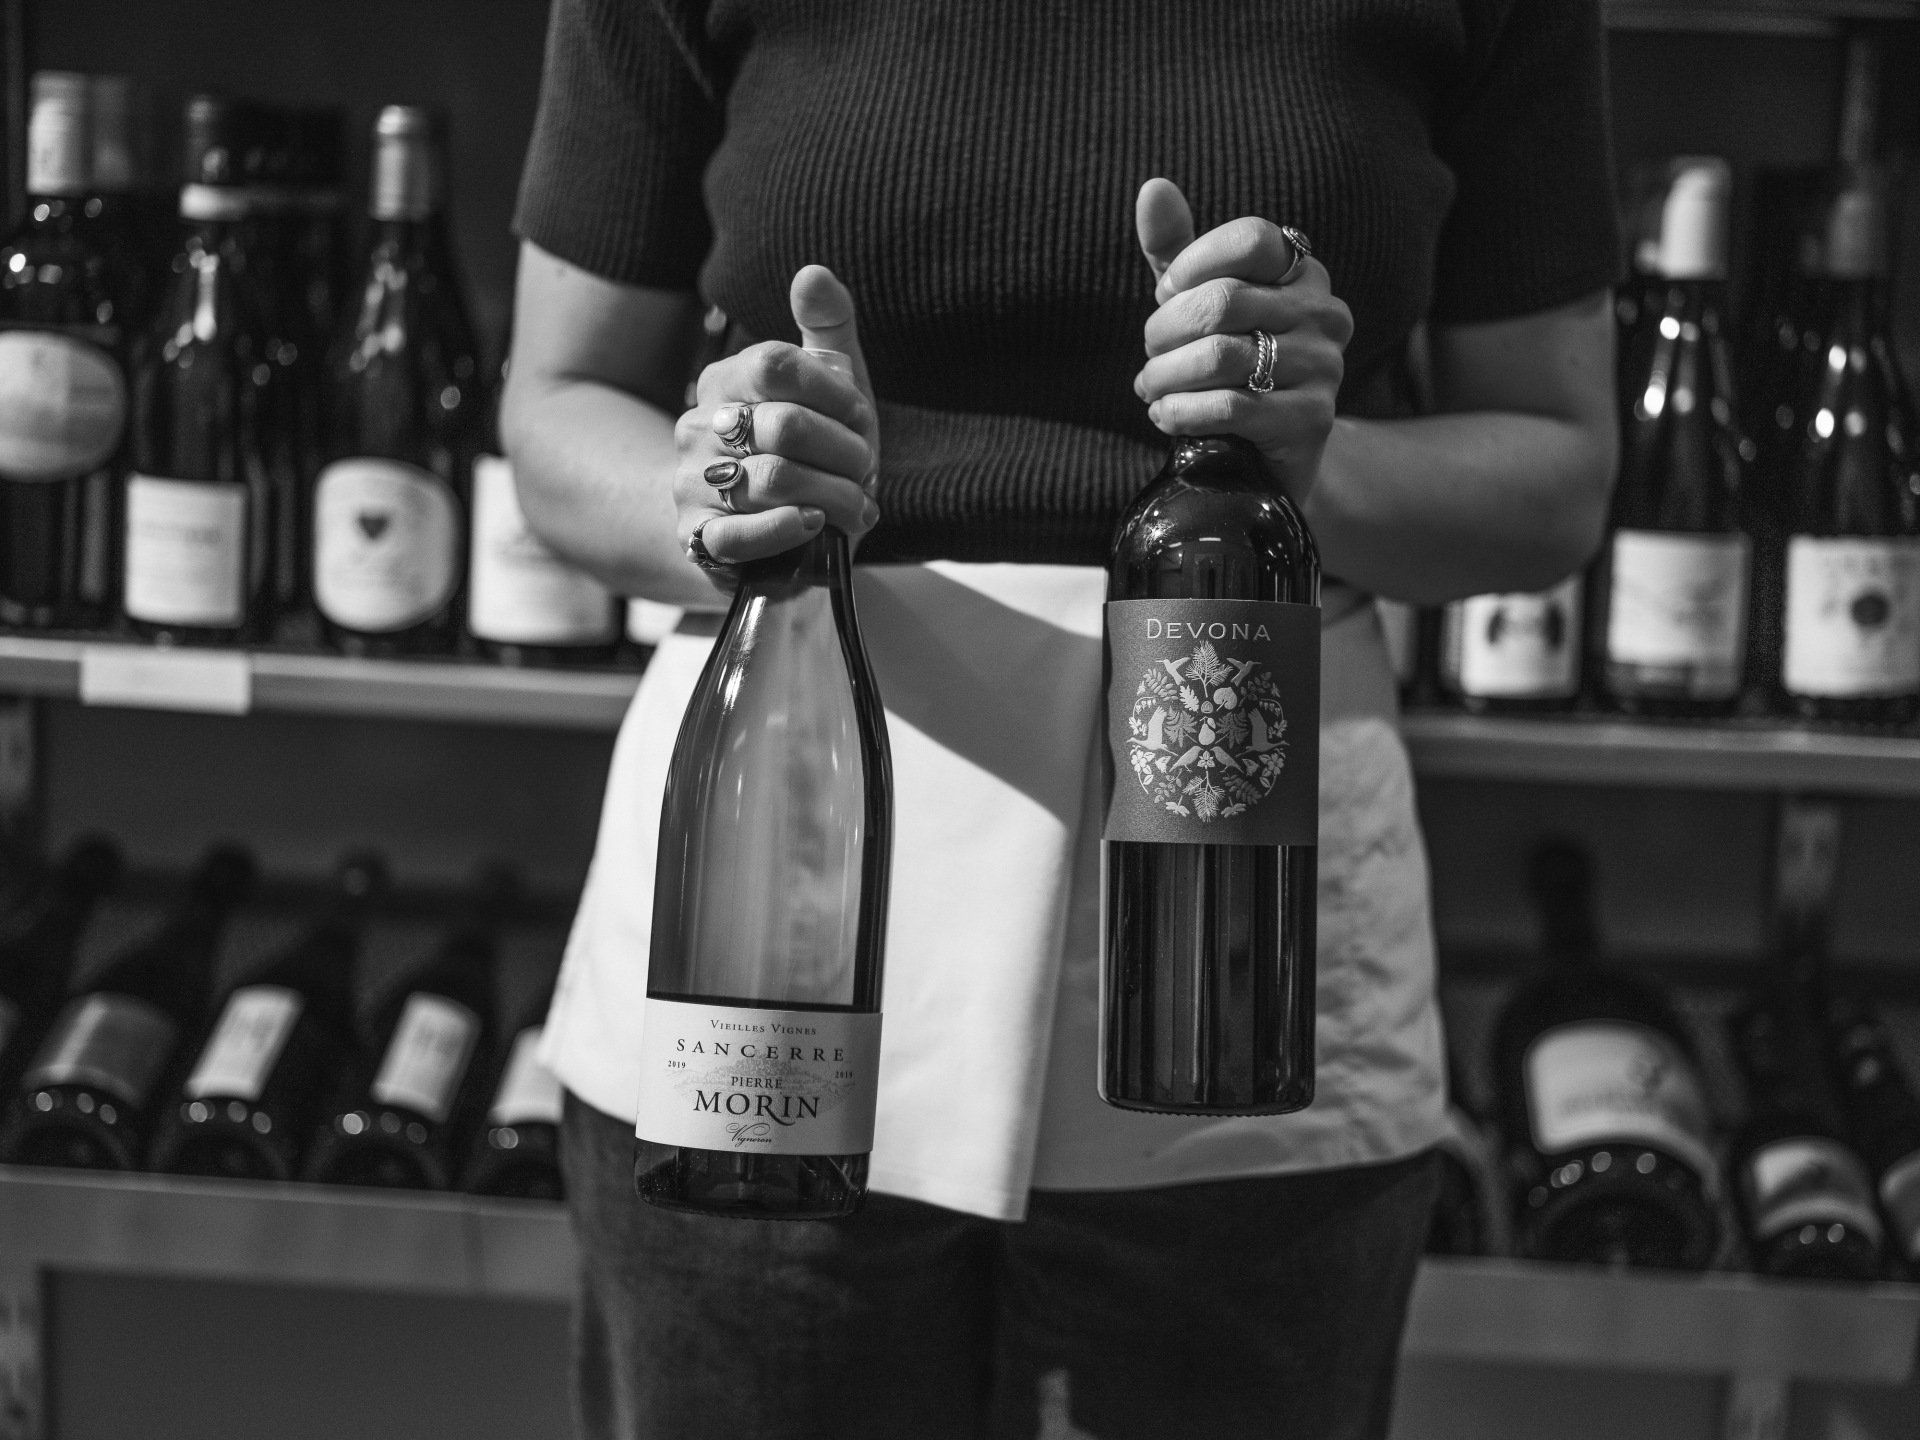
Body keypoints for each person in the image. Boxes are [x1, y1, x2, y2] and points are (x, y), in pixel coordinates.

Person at [502, 2, 1619, 1437]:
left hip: (1246, 900)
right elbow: (557, 407)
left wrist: (1299, 471)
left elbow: (1555, 474)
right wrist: (725, 493)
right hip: (779, 872)